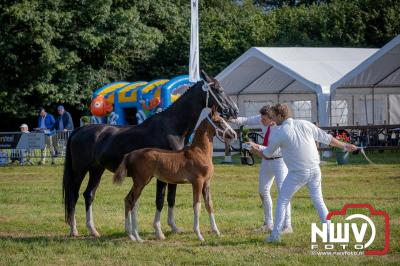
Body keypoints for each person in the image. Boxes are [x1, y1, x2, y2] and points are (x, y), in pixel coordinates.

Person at [247, 103, 357, 243]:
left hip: (297, 173)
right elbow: (327, 138)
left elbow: (267, 155)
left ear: (280, 116)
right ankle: (329, 234)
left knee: (282, 201)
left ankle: (275, 236)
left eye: (274, 116)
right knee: (319, 201)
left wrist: (254, 150)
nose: (272, 119)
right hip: (315, 170)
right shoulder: (305, 124)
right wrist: (345, 146)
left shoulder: (280, 132)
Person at [231, 105, 291, 233]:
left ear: (272, 118)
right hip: (266, 160)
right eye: (261, 118)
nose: (261, 121)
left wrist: (256, 146)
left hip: (280, 161)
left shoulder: (281, 128)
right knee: (263, 191)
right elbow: (245, 120)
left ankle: (287, 225)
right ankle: (268, 223)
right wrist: (229, 119)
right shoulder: (262, 118)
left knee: (283, 192)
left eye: (264, 120)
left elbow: (276, 150)